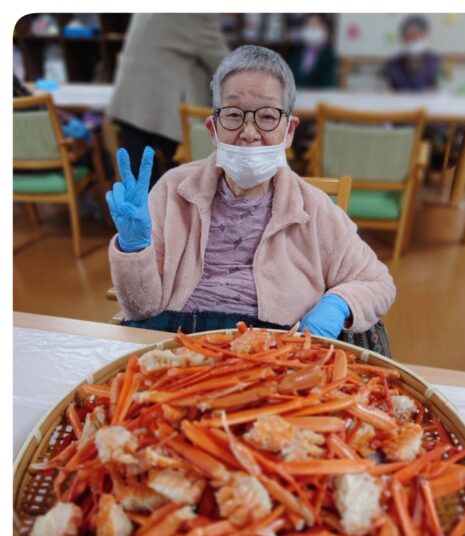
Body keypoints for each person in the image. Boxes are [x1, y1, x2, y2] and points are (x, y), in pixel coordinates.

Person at [106, 45, 395, 353]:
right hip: (179, 345)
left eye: (268, 116)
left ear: (289, 131)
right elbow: (140, 309)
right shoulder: (173, 191)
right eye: (233, 115)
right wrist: (133, 250)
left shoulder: (313, 208)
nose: (249, 132)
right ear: (213, 129)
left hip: (275, 354)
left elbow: (377, 283)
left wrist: (338, 304)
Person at [108, 14, 230, 186]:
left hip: (131, 101)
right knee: (181, 179)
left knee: (141, 181)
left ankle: (151, 211)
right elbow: (225, 65)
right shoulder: (196, 15)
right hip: (164, 109)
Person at [383, 15, 442, 92]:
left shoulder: (434, 61)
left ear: (425, 37)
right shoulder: (393, 63)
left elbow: (435, 88)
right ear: (403, 38)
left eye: (416, 36)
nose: (412, 40)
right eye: (408, 36)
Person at [290, 14, 337, 89]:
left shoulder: (329, 55)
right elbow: (289, 77)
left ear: (325, 29)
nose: (312, 29)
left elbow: (329, 84)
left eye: (316, 25)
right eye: (309, 25)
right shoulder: (297, 52)